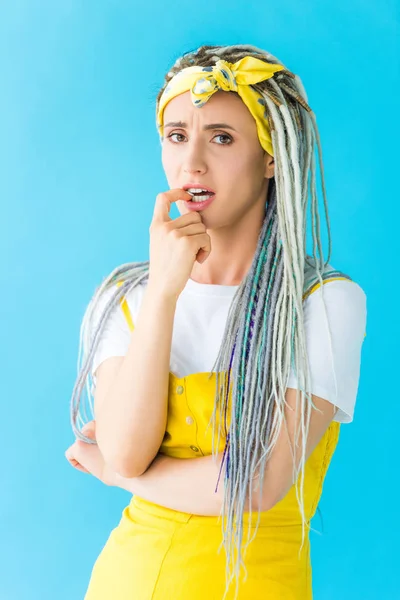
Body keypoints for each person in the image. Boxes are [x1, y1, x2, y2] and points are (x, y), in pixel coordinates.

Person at [66, 44, 367, 600]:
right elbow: (129, 446)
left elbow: (257, 483)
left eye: (222, 138)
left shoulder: (325, 302)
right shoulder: (127, 298)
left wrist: (117, 475)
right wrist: (163, 294)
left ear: (272, 157)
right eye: (177, 135)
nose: (192, 163)